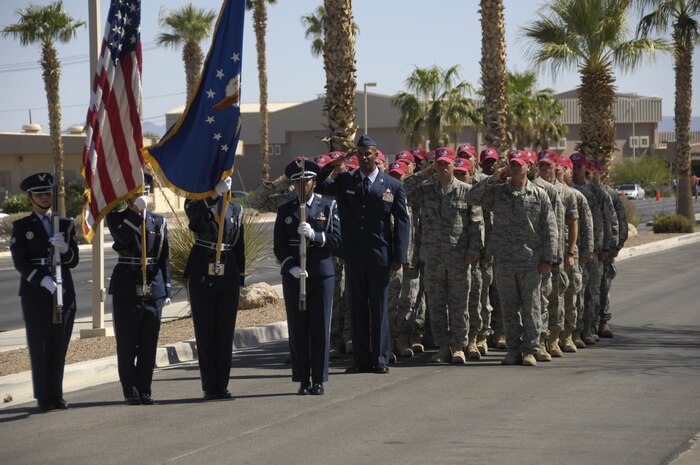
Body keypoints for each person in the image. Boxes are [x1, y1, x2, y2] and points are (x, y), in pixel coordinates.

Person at [316, 134, 410, 374]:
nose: (364, 157)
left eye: (368, 153)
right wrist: (334, 165)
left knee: (378, 308)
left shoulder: (393, 185)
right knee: (356, 307)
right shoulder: (346, 180)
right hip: (354, 254)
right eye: (360, 153)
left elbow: (401, 222)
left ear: (377, 156)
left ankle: (380, 358)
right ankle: (360, 359)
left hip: (380, 255)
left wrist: (399, 255)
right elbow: (317, 184)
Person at [467, 150, 557, 367]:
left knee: (532, 307)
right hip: (505, 260)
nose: (515, 168)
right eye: (512, 165)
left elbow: (549, 228)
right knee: (508, 307)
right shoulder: (499, 193)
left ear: (528, 167)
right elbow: (472, 197)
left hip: (530, 260)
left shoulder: (539, 194)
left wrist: (548, 258)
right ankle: (513, 350)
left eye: (519, 165)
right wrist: (494, 177)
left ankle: (530, 349)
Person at [404, 148, 483, 364]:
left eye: (446, 163)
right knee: (436, 305)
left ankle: (459, 346)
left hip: (459, 258)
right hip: (433, 257)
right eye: (439, 164)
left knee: (459, 305)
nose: (443, 167)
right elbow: (404, 191)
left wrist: (473, 251)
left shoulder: (467, 191)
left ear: (454, 164)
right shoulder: (426, 190)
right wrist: (423, 173)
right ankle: (443, 346)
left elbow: (476, 224)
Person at [10, 172, 79, 411]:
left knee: (59, 345)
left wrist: (65, 248)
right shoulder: (22, 226)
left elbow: (73, 261)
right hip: (36, 293)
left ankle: (56, 394)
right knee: (39, 346)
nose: (45, 196)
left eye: (48, 192)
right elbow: (20, 262)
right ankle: (43, 396)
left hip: (63, 292)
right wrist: (41, 280)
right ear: (30, 198)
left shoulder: (65, 224)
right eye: (40, 193)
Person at [274, 158, 340, 395]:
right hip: (295, 276)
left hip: (321, 274)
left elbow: (335, 240)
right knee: (298, 327)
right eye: (298, 182)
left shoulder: (328, 207)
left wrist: (315, 235)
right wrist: (290, 266)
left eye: (307, 181)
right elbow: (279, 246)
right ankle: (302, 379)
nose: (303, 186)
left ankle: (319, 379)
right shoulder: (286, 210)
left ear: (314, 181)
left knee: (320, 328)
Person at [106, 174, 171, 405]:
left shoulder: (158, 222)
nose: (141, 195)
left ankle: (145, 389)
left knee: (148, 344)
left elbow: (164, 258)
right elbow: (122, 239)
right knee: (126, 344)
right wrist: (134, 211)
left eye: (144, 190)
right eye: (136, 191)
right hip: (127, 288)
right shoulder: (116, 218)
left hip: (153, 289)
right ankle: (130, 391)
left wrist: (167, 288)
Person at [184, 176, 245, 400]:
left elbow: (239, 244)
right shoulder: (196, 200)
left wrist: (240, 279)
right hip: (202, 267)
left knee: (225, 330)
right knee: (206, 329)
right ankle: (209, 384)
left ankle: (223, 383)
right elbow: (194, 217)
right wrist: (212, 196)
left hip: (227, 270)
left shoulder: (236, 209)